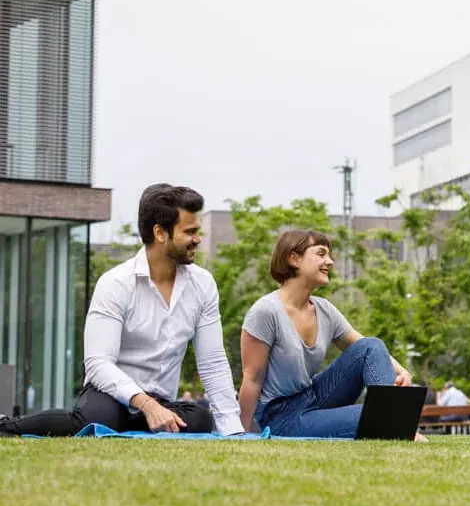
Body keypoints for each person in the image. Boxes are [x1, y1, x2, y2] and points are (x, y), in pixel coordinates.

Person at [0, 184, 242, 437]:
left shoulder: (203, 285)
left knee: (200, 419)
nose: (197, 239)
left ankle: (141, 422)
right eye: (190, 231)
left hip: (162, 400)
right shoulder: (115, 283)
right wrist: (144, 403)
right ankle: (5, 425)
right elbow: (98, 363)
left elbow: (212, 362)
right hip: (110, 395)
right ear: (160, 233)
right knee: (95, 419)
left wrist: (232, 429)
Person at [237, 229, 424, 440]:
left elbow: (367, 350)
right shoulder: (265, 311)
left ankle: (392, 419)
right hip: (280, 417)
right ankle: (393, 422)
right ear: (294, 259)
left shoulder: (324, 309)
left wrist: (402, 372)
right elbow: (252, 378)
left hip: (313, 397)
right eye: (321, 253)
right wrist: (239, 433)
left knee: (371, 345)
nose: (330, 261)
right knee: (371, 416)